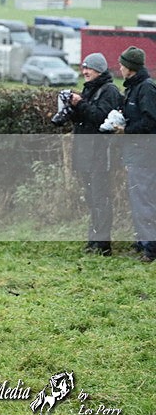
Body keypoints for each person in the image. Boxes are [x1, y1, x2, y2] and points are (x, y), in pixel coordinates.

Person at [67, 53, 123, 256]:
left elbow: (101, 119)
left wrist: (80, 104)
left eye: (88, 68)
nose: (84, 72)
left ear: (99, 69)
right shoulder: (89, 90)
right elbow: (85, 118)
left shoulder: (109, 91)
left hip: (100, 154)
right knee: (91, 198)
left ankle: (102, 244)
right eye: (83, 68)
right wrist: (71, 109)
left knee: (100, 198)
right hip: (86, 153)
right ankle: (94, 239)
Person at [114, 46, 156, 262]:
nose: (119, 67)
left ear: (129, 68)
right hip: (134, 153)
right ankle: (142, 242)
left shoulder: (146, 88)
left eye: (122, 64)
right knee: (138, 198)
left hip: (145, 154)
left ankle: (151, 248)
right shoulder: (133, 88)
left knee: (144, 199)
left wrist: (126, 130)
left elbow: (151, 121)